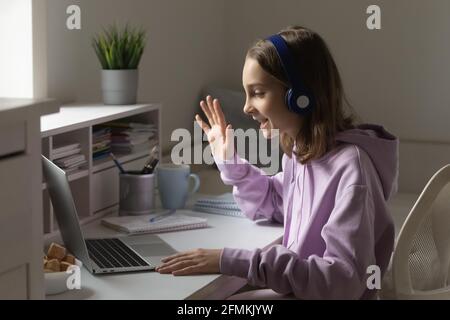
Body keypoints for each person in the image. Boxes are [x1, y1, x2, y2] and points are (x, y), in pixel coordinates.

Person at [155, 25, 398, 300]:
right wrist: (228, 159)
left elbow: (340, 283)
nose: (246, 107)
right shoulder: (302, 153)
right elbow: (274, 201)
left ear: (300, 96)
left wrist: (234, 260)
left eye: (258, 92)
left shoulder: (352, 170)